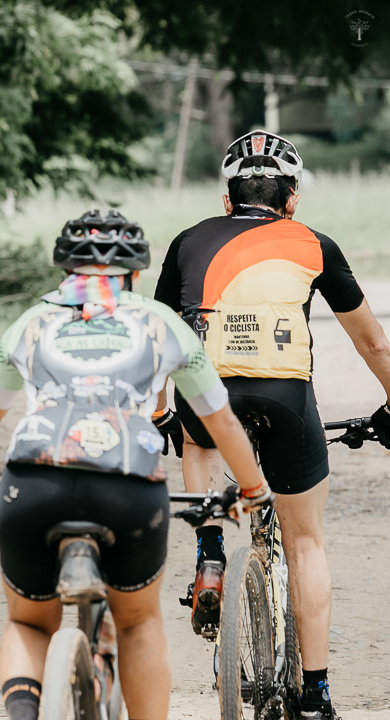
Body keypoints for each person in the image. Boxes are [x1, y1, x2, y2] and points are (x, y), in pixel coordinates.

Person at [0, 209, 272, 720]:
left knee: (29, 623)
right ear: (137, 274)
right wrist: (253, 489)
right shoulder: (161, 323)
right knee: (138, 622)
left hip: (34, 482)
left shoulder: (30, 323)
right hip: (128, 486)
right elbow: (221, 424)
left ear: (64, 268)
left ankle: (23, 712)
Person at [154, 130, 390, 720]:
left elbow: (160, 336)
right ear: (292, 198)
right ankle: (316, 695)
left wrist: (160, 408)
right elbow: (374, 343)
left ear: (229, 199)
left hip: (208, 394)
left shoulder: (188, 242)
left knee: (193, 429)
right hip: (286, 397)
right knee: (306, 542)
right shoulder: (314, 243)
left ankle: (211, 551)